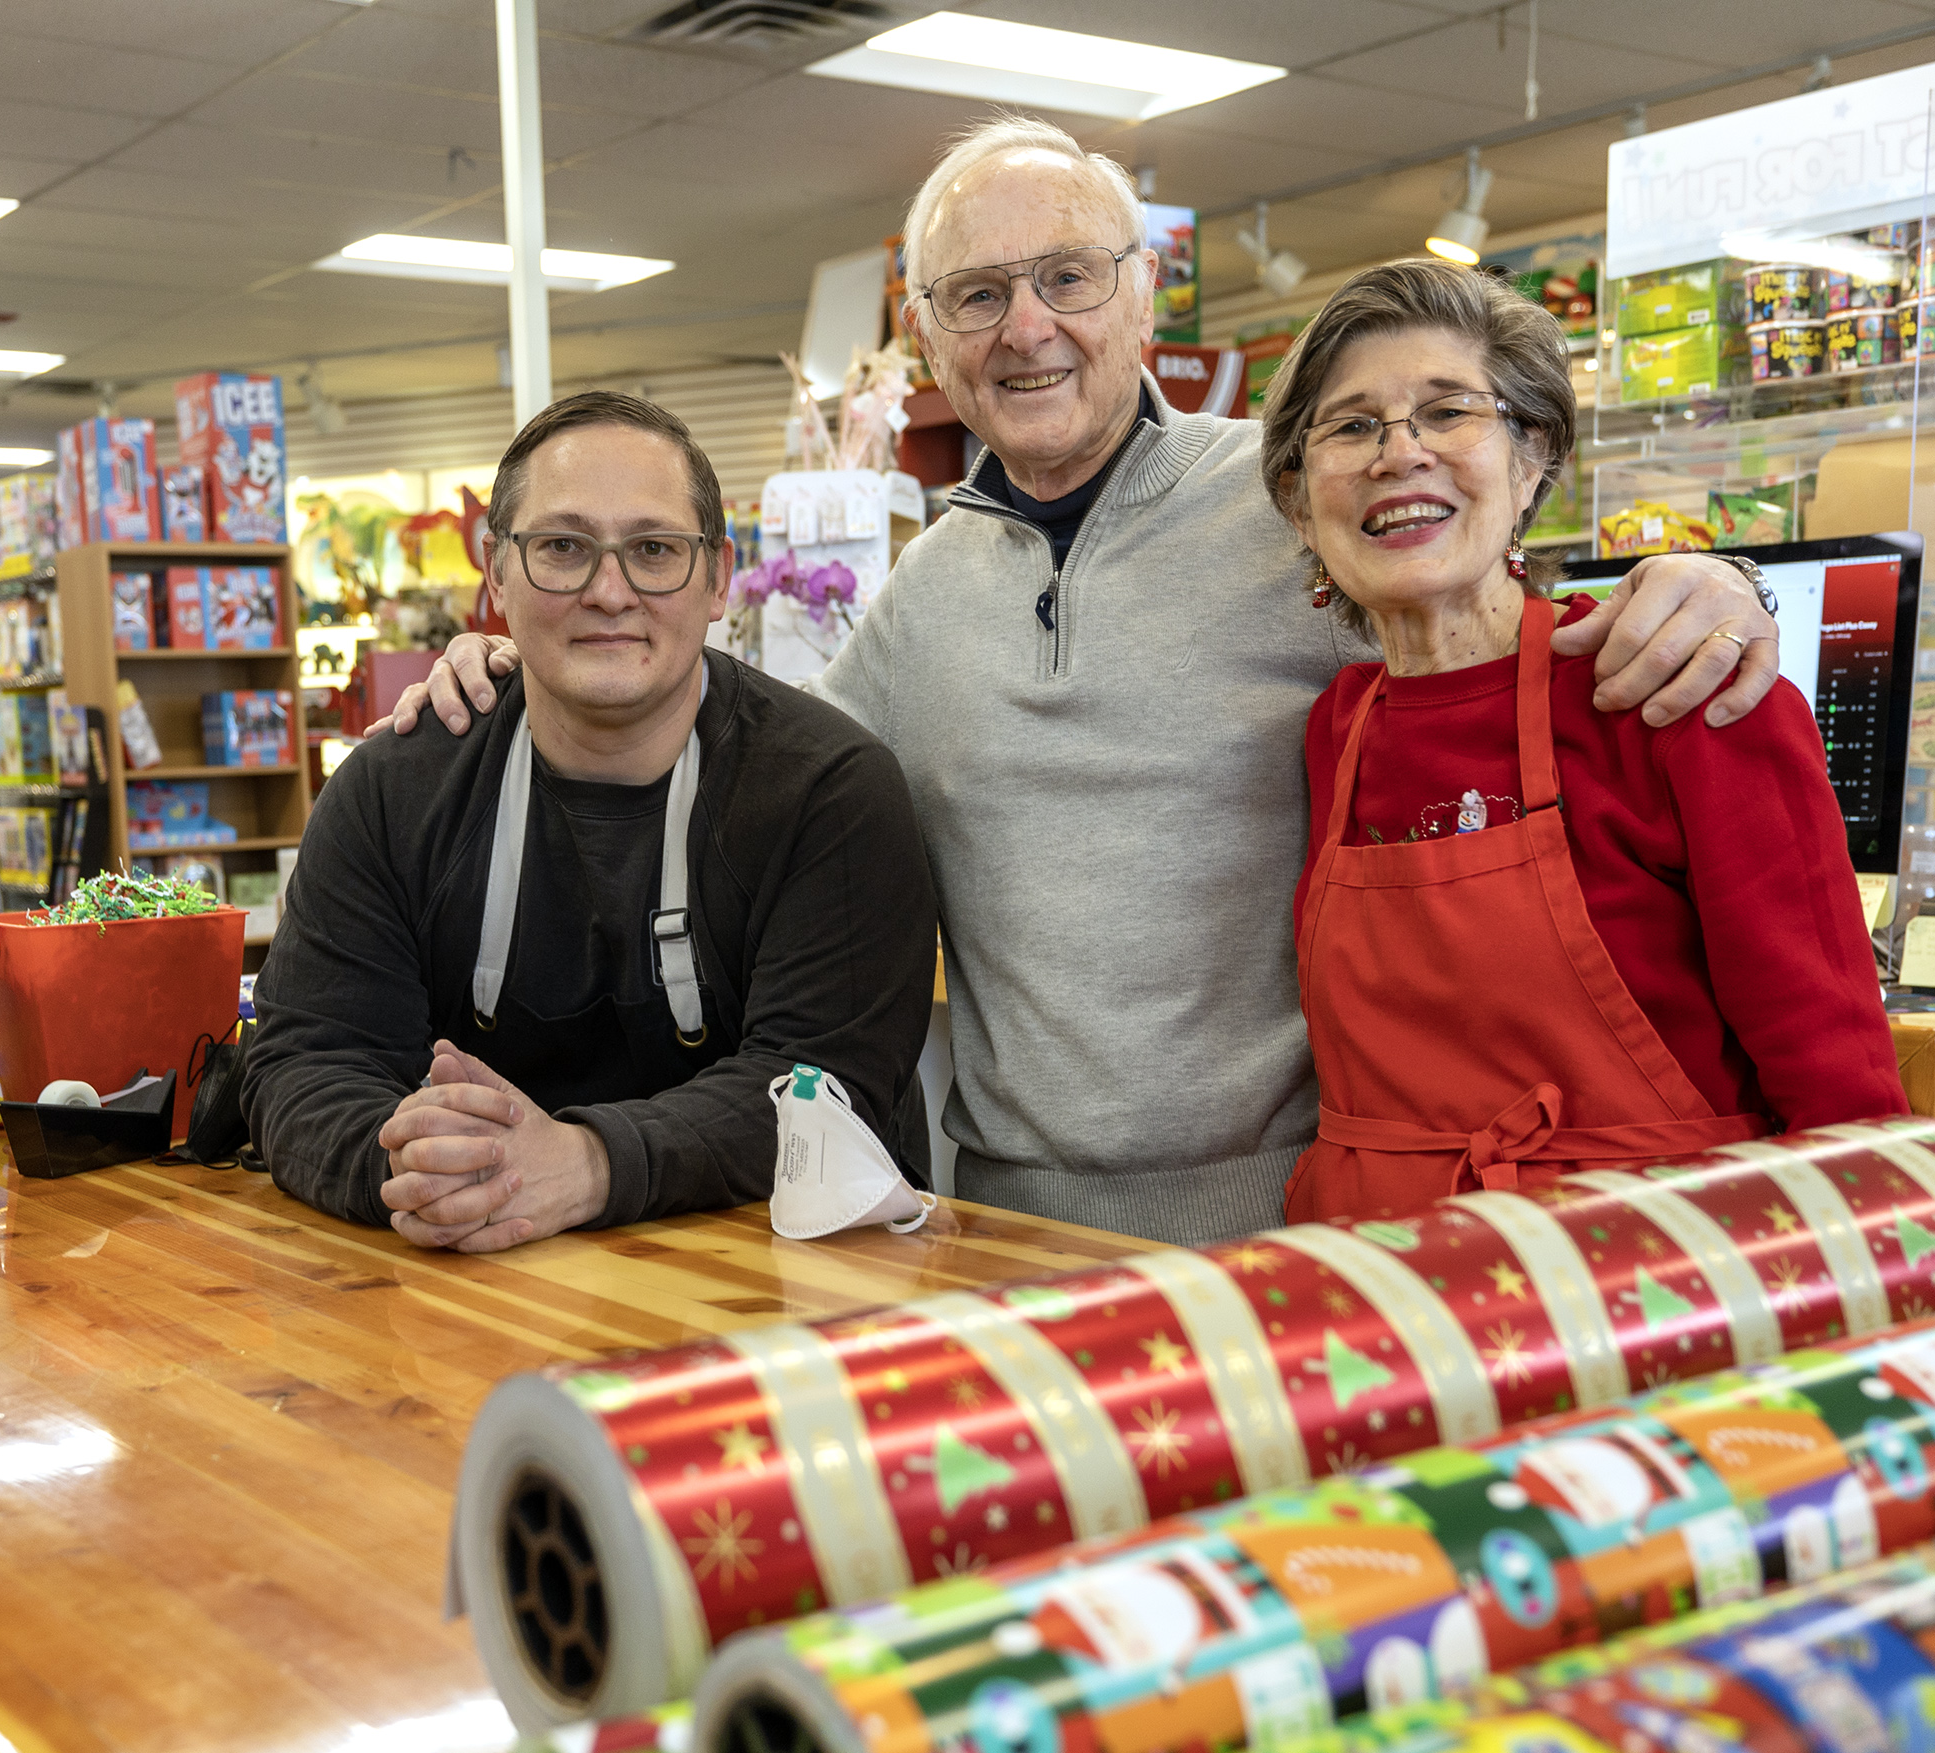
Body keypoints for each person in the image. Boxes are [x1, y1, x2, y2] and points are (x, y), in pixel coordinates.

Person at [380, 116, 1787, 1246]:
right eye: (976, 295)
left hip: (1309, 1217)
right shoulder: (920, 603)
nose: (1026, 327)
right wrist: (532, 652)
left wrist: (1712, 585)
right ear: (931, 338)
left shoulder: (1296, 496)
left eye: (1067, 276)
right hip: (1011, 1230)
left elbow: (1478, 606)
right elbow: (724, 737)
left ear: (1139, 290)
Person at [1262, 260, 1904, 1222]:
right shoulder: (1338, 728)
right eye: (1352, 426)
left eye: (1448, 413)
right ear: (1299, 500)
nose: (1398, 455)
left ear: (1532, 459)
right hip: (1374, 1307)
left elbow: (1838, 1077)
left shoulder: (1678, 686)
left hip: (1647, 1298)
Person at [240, 391, 937, 1251]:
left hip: (790, 1304)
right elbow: (305, 1060)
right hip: (467, 1303)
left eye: (653, 550)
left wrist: (584, 1163)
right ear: (496, 574)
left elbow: (826, 1089)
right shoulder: (391, 791)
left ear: (719, 577)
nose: (611, 592)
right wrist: (415, 1169)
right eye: (563, 548)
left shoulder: (829, 793)